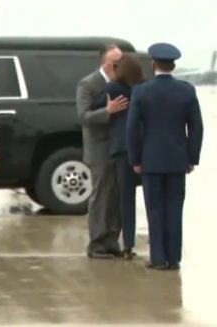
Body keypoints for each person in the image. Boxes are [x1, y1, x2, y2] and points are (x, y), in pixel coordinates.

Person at [126, 42, 203, 270]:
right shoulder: (187, 90)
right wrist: (192, 157)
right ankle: (174, 258)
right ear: (174, 65)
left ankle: (158, 258)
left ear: (153, 65)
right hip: (178, 159)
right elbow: (196, 128)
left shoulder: (141, 91)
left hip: (150, 159)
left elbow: (131, 129)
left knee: (155, 209)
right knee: (174, 208)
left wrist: (135, 159)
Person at [76, 44, 127, 259]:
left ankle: (112, 240)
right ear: (106, 63)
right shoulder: (88, 84)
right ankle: (96, 243)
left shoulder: (123, 82)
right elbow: (84, 117)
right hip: (99, 148)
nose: (119, 65)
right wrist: (107, 111)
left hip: (119, 147)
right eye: (116, 61)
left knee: (116, 196)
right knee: (101, 196)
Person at [92, 54, 145, 259]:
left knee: (125, 197)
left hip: (122, 149)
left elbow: (96, 108)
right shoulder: (142, 89)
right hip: (144, 147)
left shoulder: (113, 89)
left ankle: (128, 244)